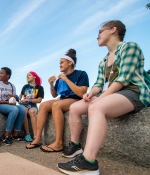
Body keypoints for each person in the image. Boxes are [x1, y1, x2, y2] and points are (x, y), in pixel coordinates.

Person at [58, 20, 150, 175]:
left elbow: (123, 79)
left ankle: (89, 162)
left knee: (96, 107)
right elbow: (99, 83)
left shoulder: (129, 47)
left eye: (100, 32)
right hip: (114, 94)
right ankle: (75, 146)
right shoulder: (103, 61)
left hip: (134, 91)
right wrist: (91, 93)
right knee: (75, 107)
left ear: (113, 30)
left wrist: (99, 99)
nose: (97, 36)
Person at [26, 49, 89, 150]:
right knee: (43, 105)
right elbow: (54, 94)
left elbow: (82, 93)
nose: (60, 65)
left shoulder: (81, 74)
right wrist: (51, 84)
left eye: (62, 62)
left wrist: (67, 80)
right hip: (62, 99)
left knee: (56, 105)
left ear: (70, 63)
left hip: (75, 99)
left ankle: (58, 142)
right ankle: (37, 138)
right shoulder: (60, 79)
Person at [0, 67, 26, 145]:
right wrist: (6, 102)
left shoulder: (12, 86)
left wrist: (12, 98)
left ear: (7, 75)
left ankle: (15, 134)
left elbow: (13, 102)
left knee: (22, 109)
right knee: (14, 109)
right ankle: (6, 135)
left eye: (1, 73)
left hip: (9, 105)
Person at [19, 71, 44, 142]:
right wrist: (19, 100)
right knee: (23, 111)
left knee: (32, 112)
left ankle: (36, 136)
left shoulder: (40, 88)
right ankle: (27, 134)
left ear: (34, 76)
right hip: (24, 105)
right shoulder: (25, 86)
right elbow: (20, 96)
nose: (27, 77)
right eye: (27, 76)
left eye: (29, 75)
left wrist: (28, 100)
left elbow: (39, 100)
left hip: (33, 105)